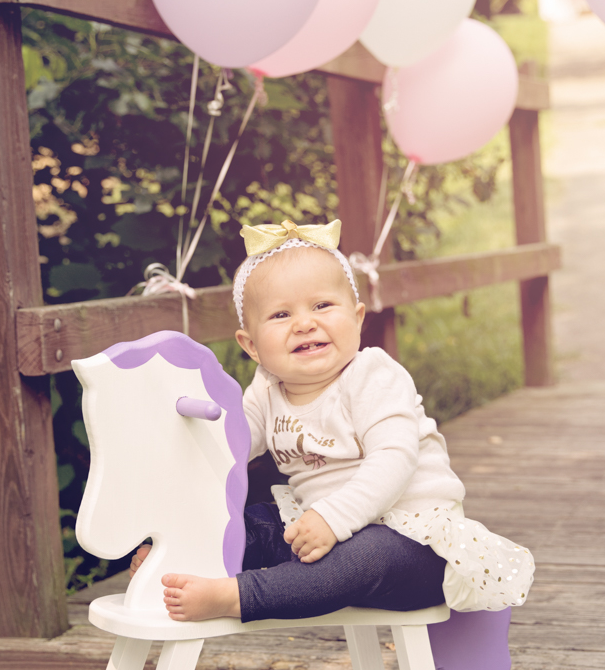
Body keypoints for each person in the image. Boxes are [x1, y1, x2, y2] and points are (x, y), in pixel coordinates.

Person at [130, 219, 534, 622]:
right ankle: (177, 561)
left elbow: (395, 457)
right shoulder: (267, 389)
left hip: (411, 543)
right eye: (281, 314)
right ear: (251, 345)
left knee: (367, 555)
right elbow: (229, 447)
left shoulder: (371, 375)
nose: (304, 323)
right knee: (252, 523)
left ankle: (238, 597)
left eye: (322, 306)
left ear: (357, 318)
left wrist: (333, 518)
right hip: (319, 535)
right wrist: (181, 426)